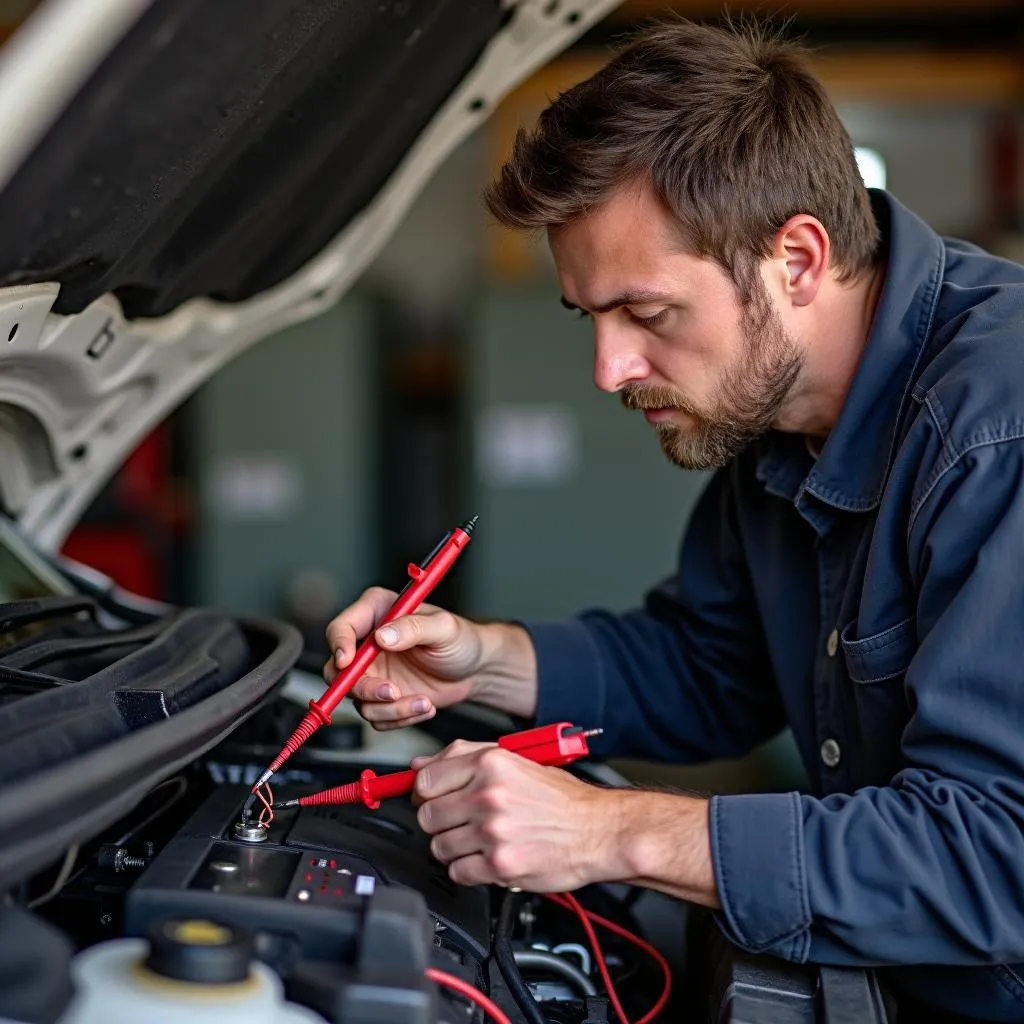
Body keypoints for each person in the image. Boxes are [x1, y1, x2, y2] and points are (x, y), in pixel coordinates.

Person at [326, 19, 1024, 1023]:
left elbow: (998, 855)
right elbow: (712, 669)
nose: (609, 370)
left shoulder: (994, 431)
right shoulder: (782, 419)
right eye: (589, 319)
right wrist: (481, 659)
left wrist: (617, 832)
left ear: (794, 257)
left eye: (646, 314)